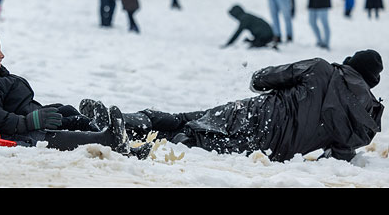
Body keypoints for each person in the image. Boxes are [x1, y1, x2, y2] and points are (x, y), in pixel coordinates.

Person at [81, 49, 384, 163]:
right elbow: (334, 160)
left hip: (256, 115)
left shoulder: (321, 69)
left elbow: (262, 79)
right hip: (273, 150)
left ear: (350, 65)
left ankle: (123, 128)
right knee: (196, 132)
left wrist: (260, 84)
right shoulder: (365, 125)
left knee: (189, 124)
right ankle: (122, 129)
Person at [0, 25, 145, 157]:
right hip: (24, 130)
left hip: (29, 114)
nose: (3, 55)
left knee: (66, 111)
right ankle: (107, 140)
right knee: (49, 136)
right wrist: (29, 121)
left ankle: (99, 129)